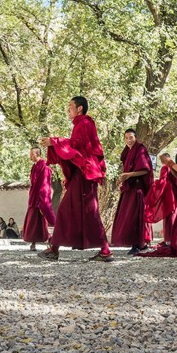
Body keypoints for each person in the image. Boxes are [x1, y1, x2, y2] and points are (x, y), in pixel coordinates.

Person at [39, 96, 113, 262]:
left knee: (85, 212)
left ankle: (56, 249)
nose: (68, 109)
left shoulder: (85, 123)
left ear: (80, 108)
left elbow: (77, 145)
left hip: (86, 174)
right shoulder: (80, 124)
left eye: (70, 106)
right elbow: (75, 146)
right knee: (72, 211)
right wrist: (55, 143)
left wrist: (55, 141)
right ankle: (55, 248)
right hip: (83, 174)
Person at [111, 129, 154, 254]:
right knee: (126, 216)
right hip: (129, 187)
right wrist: (124, 178)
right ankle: (138, 244)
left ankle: (137, 245)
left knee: (134, 217)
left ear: (136, 138)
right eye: (126, 138)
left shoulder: (140, 149)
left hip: (137, 188)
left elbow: (145, 170)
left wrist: (129, 175)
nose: (129, 140)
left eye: (131, 138)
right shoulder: (127, 151)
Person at [22, 147, 56, 251]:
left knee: (38, 221)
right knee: (33, 222)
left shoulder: (44, 167)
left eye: (32, 154)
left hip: (40, 198)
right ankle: (35, 242)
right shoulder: (34, 166)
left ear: (37, 154)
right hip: (33, 198)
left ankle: (50, 239)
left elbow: (45, 185)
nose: (30, 156)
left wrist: (43, 199)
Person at [143, 153, 177, 247]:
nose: (162, 161)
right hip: (175, 194)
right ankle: (174, 239)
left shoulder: (165, 168)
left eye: (162, 159)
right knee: (173, 215)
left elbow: (163, 181)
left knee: (169, 217)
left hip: (168, 194)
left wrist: (155, 184)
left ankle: (169, 240)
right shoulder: (175, 167)